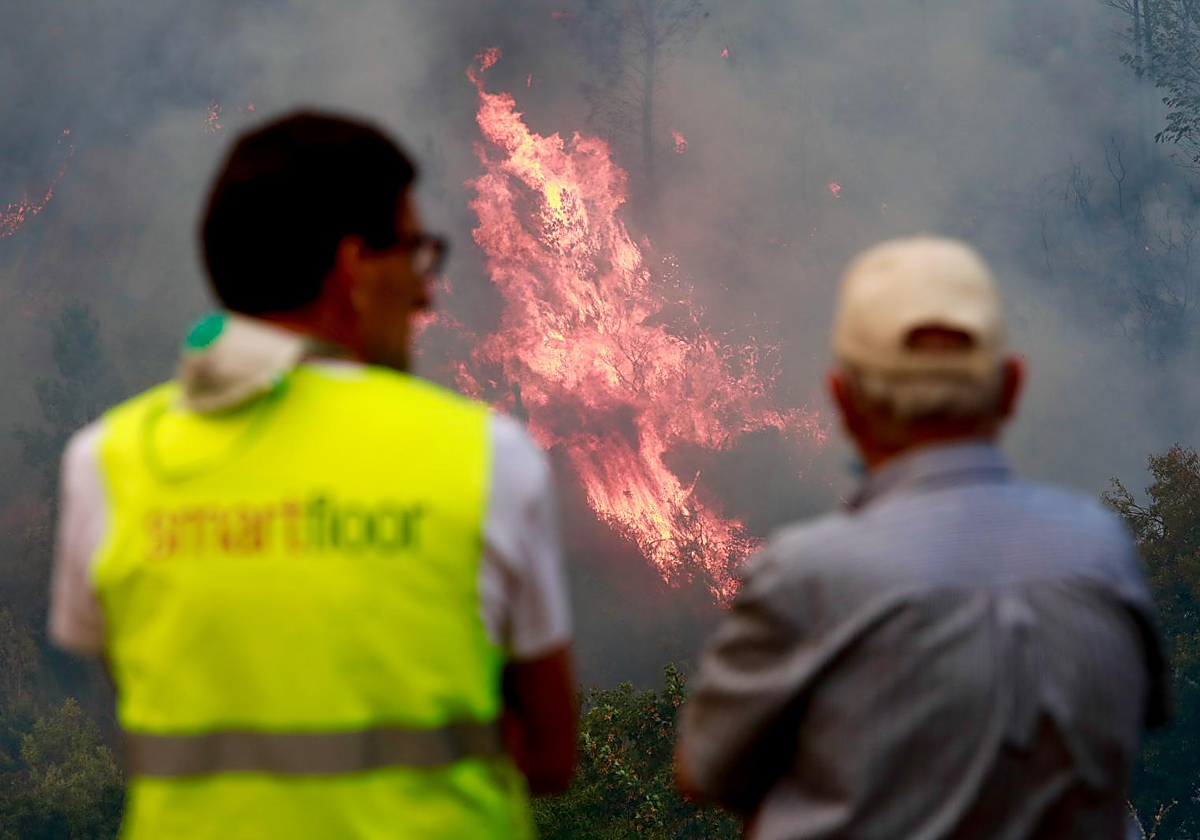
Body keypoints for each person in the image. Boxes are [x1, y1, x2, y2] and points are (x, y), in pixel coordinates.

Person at [48, 112, 575, 839]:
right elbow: (550, 756)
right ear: (353, 268)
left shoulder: (107, 462)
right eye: (415, 255)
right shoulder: (486, 457)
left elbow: (132, 694)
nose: (426, 295)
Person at [675, 236, 1168, 839]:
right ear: (1011, 386)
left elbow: (704, 771)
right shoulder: (1101, 550)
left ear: (844, 402)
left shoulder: (808, 575)